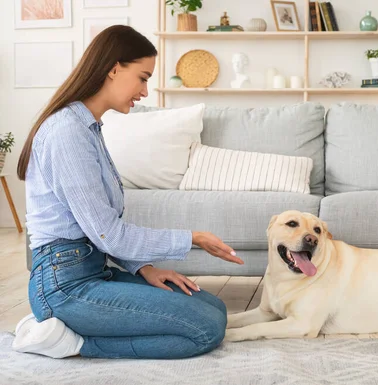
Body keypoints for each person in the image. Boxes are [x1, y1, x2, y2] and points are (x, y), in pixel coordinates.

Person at [11, 25, 244, 360]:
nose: (145, 91)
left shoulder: (88, 127)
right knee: (205, 328)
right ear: (114, 68)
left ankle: (77, 329)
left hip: (92, 269)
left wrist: (144, 268)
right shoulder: (67, 132)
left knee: (214, 308)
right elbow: (110, 234)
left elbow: (99, 230)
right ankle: (68, 341)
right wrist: (193, 238)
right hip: (63, 286)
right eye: (143, 77)